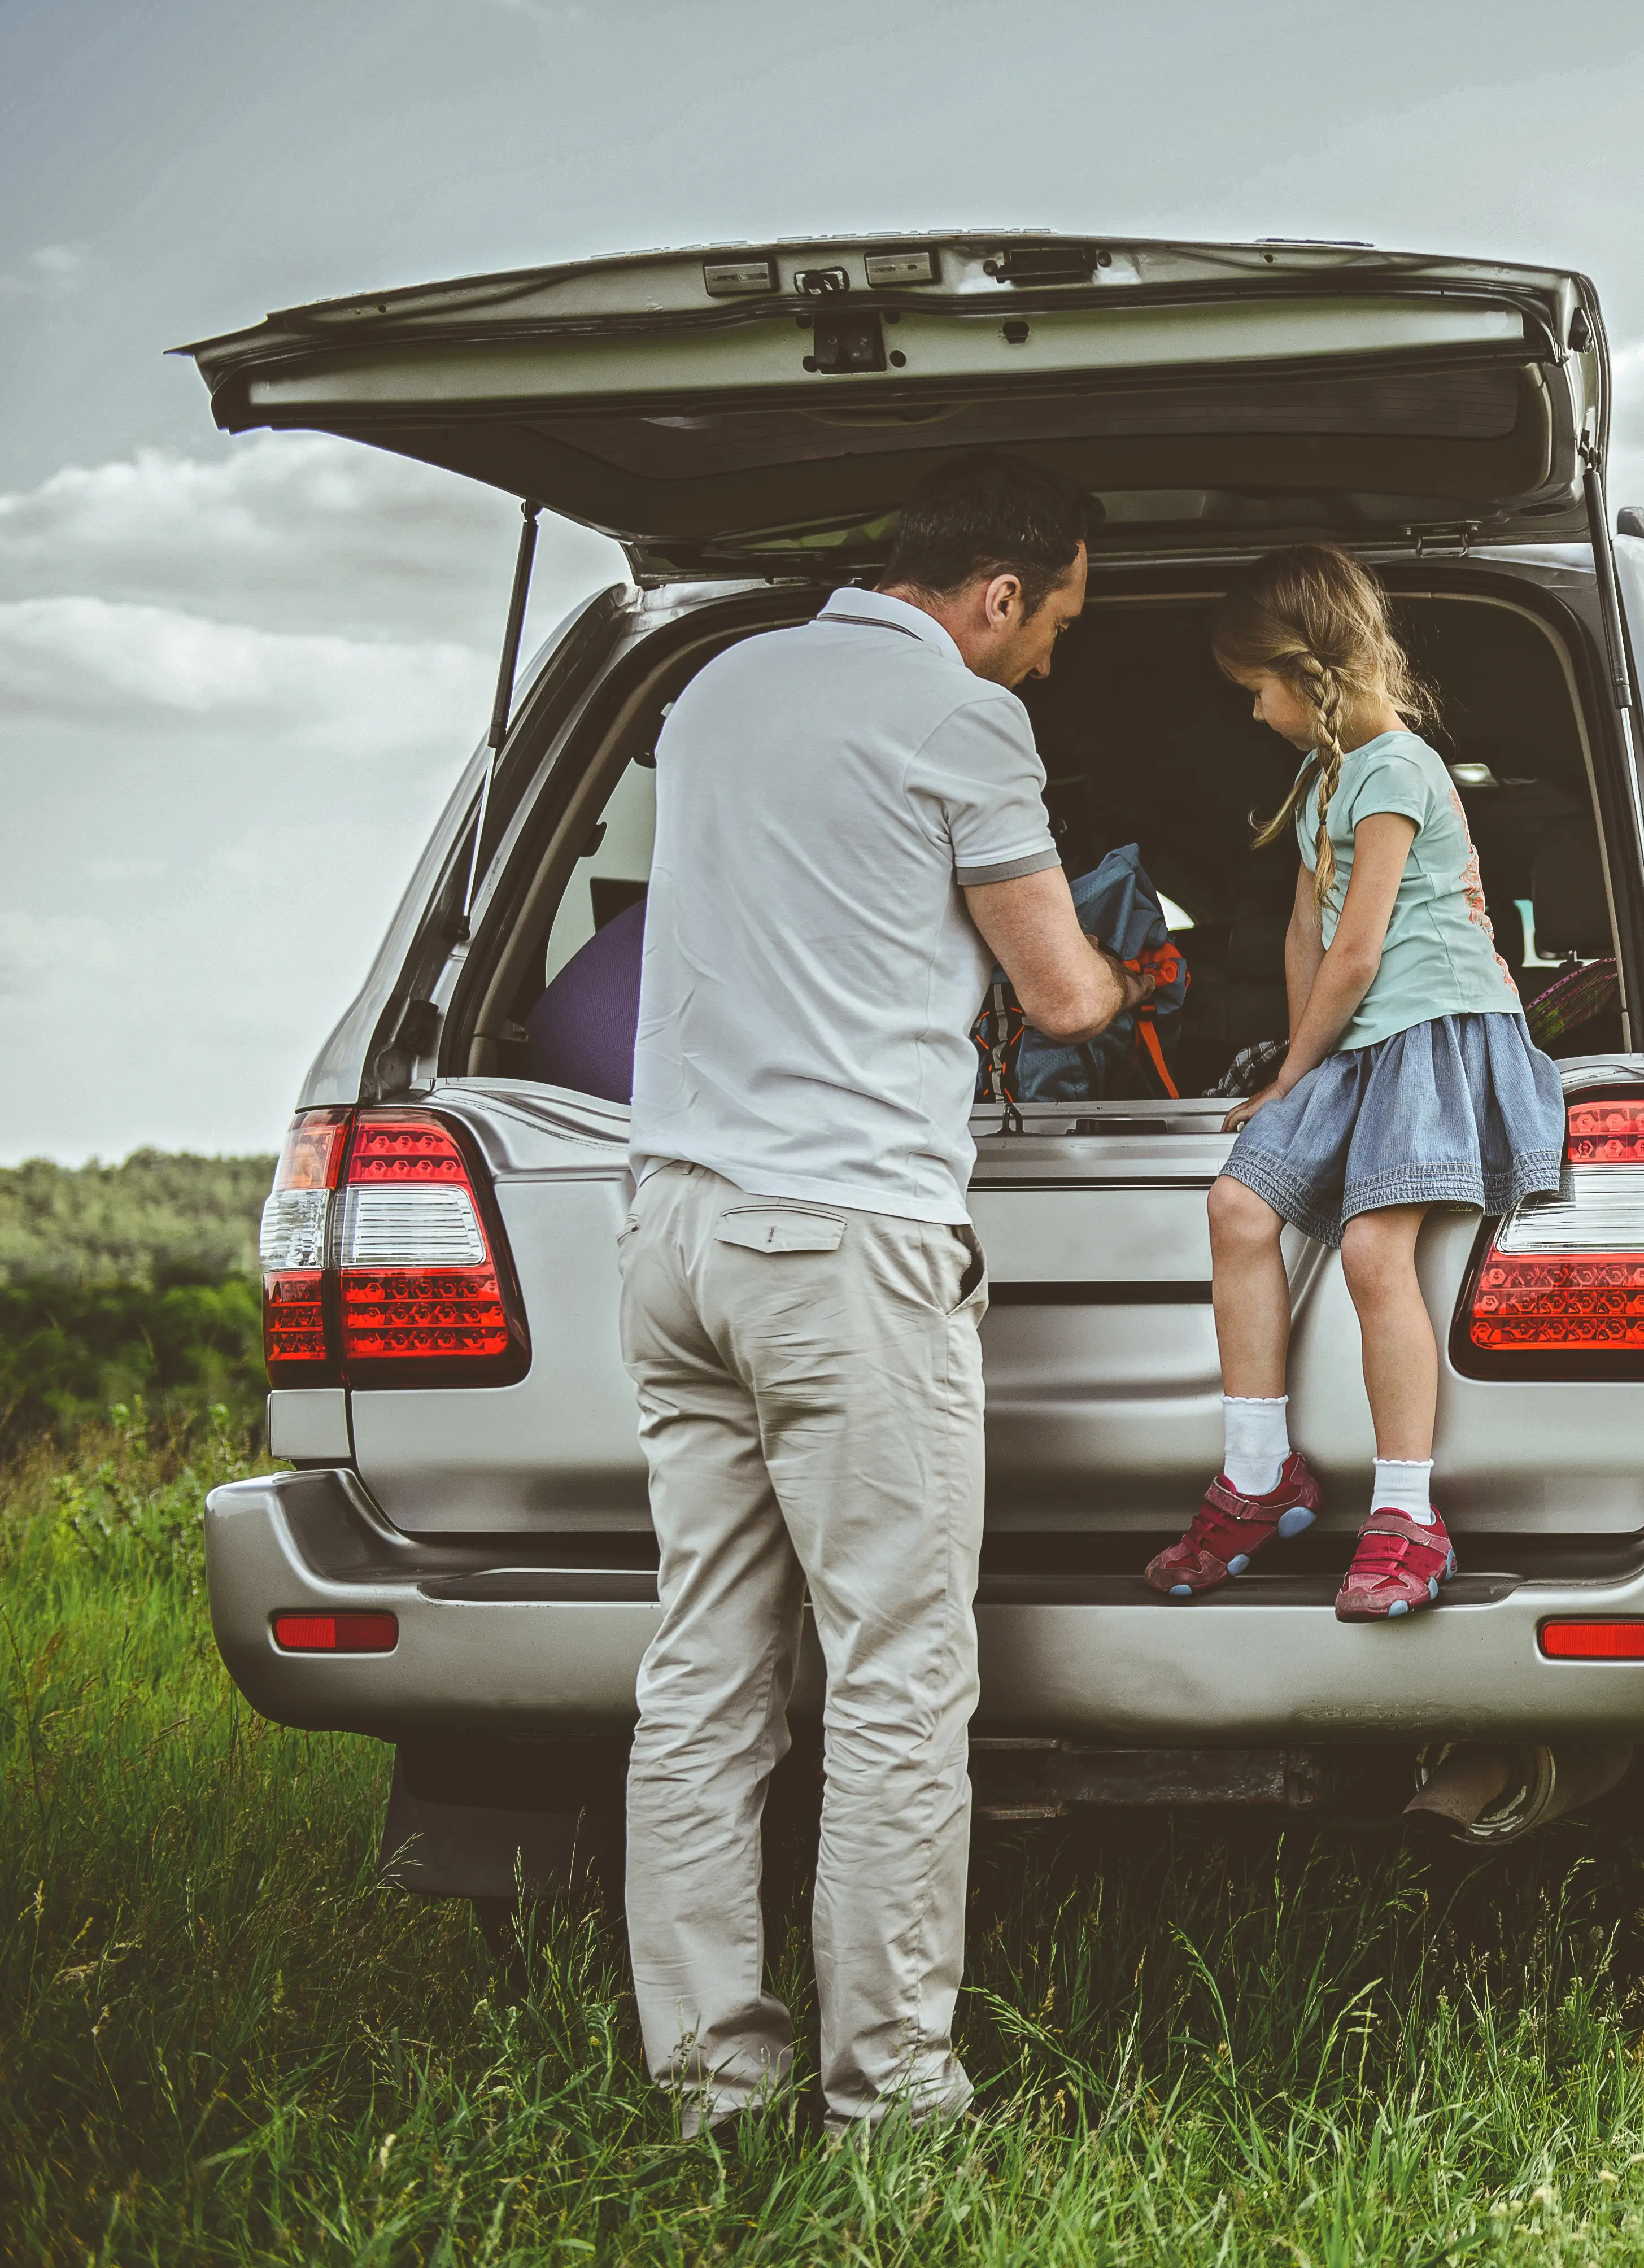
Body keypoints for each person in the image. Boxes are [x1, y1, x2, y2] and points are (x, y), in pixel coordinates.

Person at [620, 450, 1150, 2138]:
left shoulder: (717, 683)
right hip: (842, 1240)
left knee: (703, 1670)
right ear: (999, 591)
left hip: (676, 1230)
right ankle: (896, 2100)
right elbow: (1063, 997)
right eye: (1054, 621)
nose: (1050, 657)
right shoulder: (964, 720)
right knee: (898, 1674)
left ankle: (713, 2086)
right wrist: (1147, 969)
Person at [1147, 544, 1566, 1620]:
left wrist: (1295, 1067)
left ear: (1313, 673)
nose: (1254, 714)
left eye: (1260, 690)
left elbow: (1361, 949)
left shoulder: (1395, 767)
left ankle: (1407, 1514)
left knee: (1379, 1250)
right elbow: (1305, 926)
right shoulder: (1322, 773)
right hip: (1351, 1041)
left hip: (1429, 1034)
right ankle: (1255, 1476)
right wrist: (1299, 1066)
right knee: (1239, 1205)